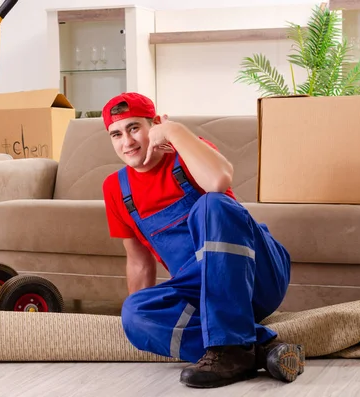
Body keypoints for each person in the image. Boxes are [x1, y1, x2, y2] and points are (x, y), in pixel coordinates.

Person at [100, 92, 305, 389]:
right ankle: (257, 350)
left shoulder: (187, 152)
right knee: (134, 313)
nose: (127, 142)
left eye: (134, 128)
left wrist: (174, 131)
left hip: (258, 276)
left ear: (154, 124)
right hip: (203, 296)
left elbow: (219, 181)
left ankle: (234, 342)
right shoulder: (115, 188)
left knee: (212, 204)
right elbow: (138, 261)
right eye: (116, 134)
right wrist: (144, 323)